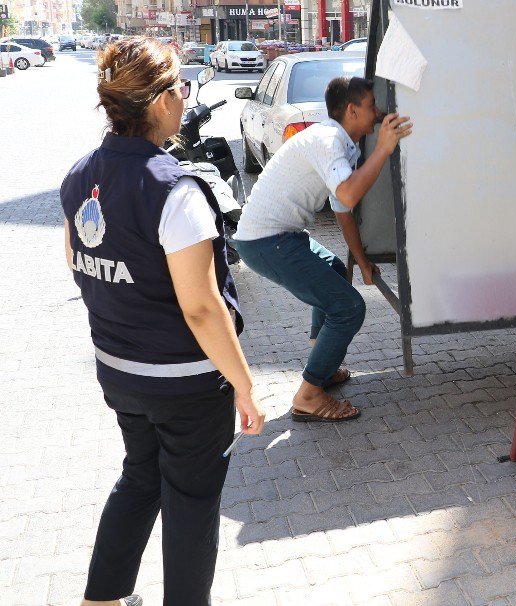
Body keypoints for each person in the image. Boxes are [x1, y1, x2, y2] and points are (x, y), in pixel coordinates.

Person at [62, 37, 266, 606]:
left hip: (120, 373)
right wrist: (244, 387)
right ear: (156, 102)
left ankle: (100, 599)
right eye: (180, 85)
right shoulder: (175, 190)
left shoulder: (79, 176)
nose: (186, 94)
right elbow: (202, 308)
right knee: (192, 501)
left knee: (140, 477)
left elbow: (81, 269)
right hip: (186, 384)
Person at [232, 76, 412, 423]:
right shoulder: (329, 139)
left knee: (332, 268)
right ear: (352, 110)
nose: (377, 112)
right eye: (372, 106)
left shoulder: (342, 144)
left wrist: (361, 261)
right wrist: (384, 149)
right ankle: (309, 394)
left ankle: (322, 365)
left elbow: (341, 210)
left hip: (279, 236)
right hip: (266, 241)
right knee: (349, 307)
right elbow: (347, 195)